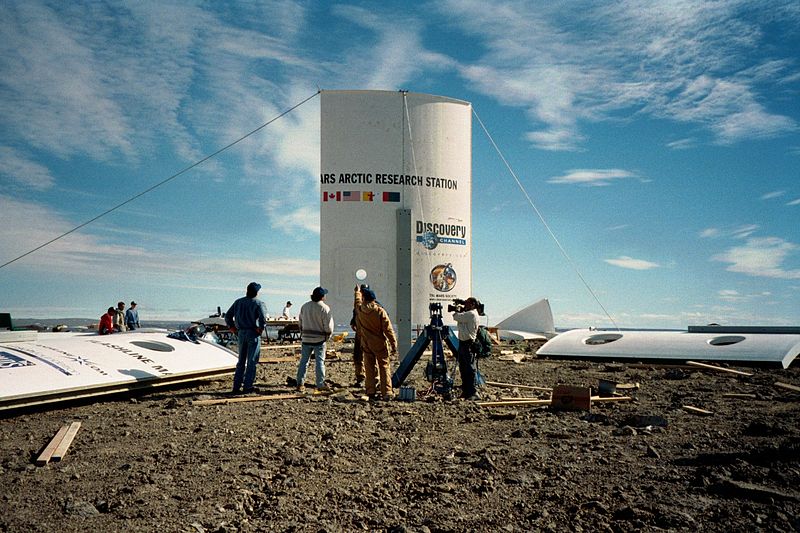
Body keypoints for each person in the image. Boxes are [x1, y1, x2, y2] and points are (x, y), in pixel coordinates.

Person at [353, 285, 397, 400]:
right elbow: (388, 330)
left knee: (369, 367)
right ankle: (386, 391)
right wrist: (393, 344)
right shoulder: (379, 311)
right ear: (374, 299)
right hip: (379, 343)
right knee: (384, 366)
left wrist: (357, 292)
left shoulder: (360, 309)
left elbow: (357, 301)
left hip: (366, 343)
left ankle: (370, 390)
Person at [225, 282, 268, 394]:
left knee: (241, 361)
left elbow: (228, 316)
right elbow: (263, 319)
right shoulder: (259, 303)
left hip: (241, 333)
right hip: (252, 333)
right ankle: (247, 386)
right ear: (257, 292)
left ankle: (236, 386)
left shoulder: (238, 302)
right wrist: (261, 328)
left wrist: (232, 328)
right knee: (252, 361)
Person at [296, 287, 334, 392]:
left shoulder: (305, 306)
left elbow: (300, 322)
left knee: (304, 361)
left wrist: (302, 333)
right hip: (319, 339)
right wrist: (328, 336)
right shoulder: (325, 308)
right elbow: (329, 327)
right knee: (320, 362)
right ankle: (320, 383)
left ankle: (300, 383)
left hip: (306, 338)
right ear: (322, 296)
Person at [452, 297, 481, 400]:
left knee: (469, 368)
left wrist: (457, 309)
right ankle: (466, 391)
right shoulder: (469, 314)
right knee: (464, 368)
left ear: (473, 304)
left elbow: (456, 317)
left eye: (467, 303)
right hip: (463, 343)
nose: (465, 305)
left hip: (468, 344)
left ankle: (473, 392)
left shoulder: (471, 314)